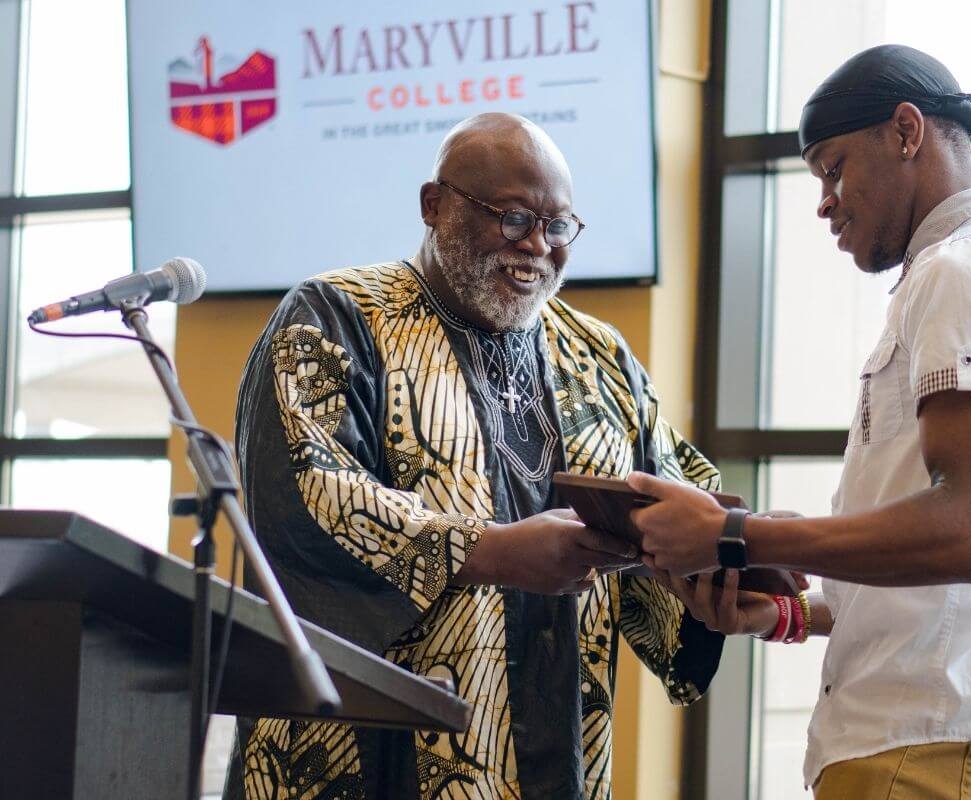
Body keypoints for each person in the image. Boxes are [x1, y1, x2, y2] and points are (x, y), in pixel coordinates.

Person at [225, 112, 724, 799]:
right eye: (514, 218)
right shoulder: (338, 317)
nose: (538, 247)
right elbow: (306, 499)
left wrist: (733, 559)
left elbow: (675, 495)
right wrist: (487, 551)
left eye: (559, 227)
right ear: (435, 205)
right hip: (366, 755)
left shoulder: (600, 357)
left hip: (561, 749)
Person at [629, 45, 971, 799]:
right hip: (933, 738)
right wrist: (782, 613)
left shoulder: (963, 273)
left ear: (907, 132)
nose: (824, 201)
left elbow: (970, 531)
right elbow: (934, 595)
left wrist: (734, 536)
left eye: (834, 168)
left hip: (935, 743)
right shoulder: (963, 273)